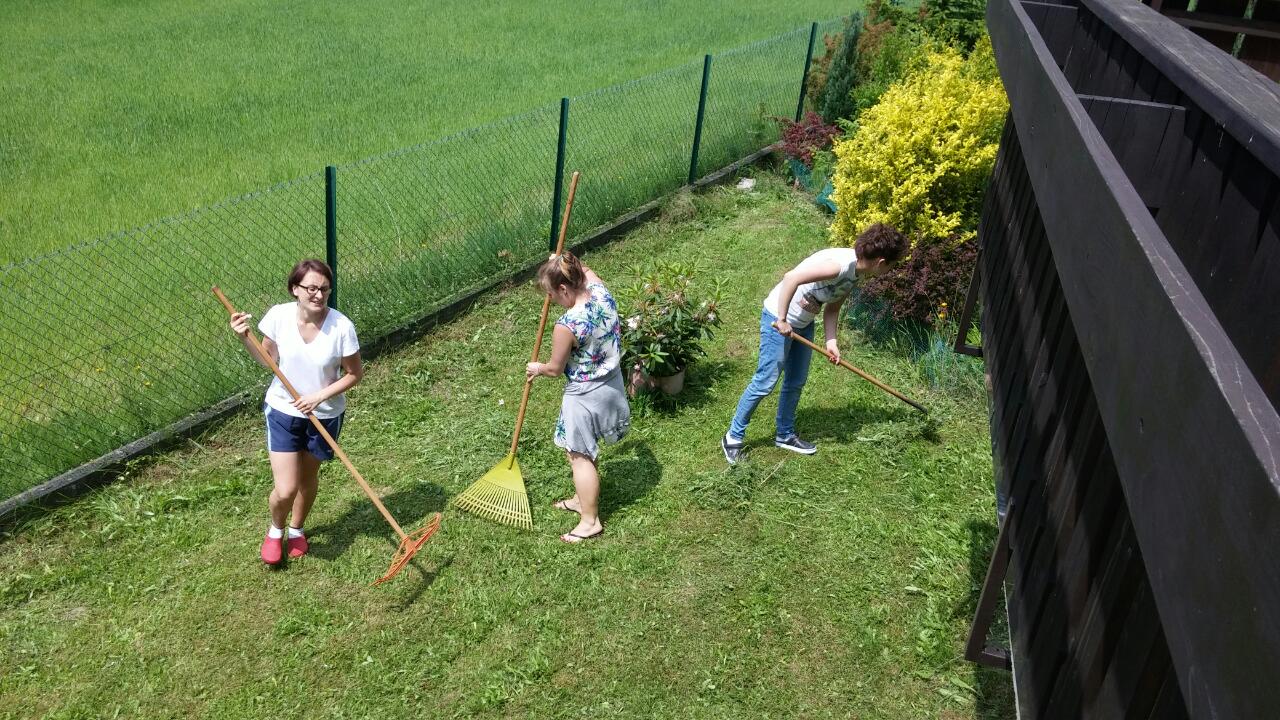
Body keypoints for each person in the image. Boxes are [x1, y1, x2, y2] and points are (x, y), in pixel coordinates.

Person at [721, 224, 908, 465]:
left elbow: (833, 308)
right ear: (881, 262)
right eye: (892, 266)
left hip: (803, 323)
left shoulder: (858, 273)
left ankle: (784, 434)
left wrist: (831, 341)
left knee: (796, 381)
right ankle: (733, 437)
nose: (890, 270)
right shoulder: (838, 266)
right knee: (765, 381)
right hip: (778, 320)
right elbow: (791, 278)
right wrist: (782, 319)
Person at [228, 259, 363, 565]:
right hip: (283, 410)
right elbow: (268, 360)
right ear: (295, 289)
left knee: (307, 478)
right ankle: (276, 530)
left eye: (325, 289)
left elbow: (355, 374)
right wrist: (244, 337)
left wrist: (318, 397)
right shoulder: (279, 316)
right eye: (311, 288)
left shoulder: (342, 327)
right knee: (286, 487)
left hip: (325, 414)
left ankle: (297, 529)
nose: (319, 295)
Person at [526, 251, 631, 543]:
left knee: (579, 455)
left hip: (583, 395)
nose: (552, 301)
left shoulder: (567, 324)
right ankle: (580, 499)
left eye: (552, 295)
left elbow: (555, 369)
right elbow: (587, 270)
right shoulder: (601, 293)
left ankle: (590, 521)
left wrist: (537, 368)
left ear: (564, 288)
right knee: (585, 448)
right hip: (611, 385)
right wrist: (559, 261)